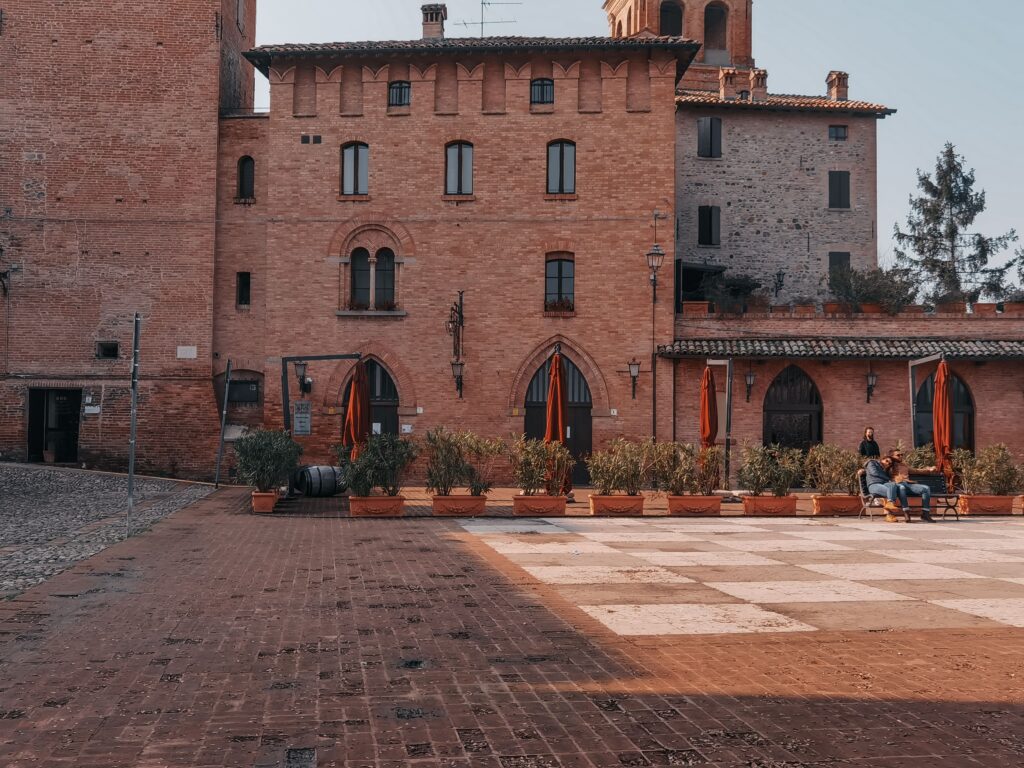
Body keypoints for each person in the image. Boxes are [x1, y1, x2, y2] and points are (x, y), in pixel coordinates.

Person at [887, 448, 937, 523]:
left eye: (902, 455)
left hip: (908, 484)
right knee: (902, 487)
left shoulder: (904, 465)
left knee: (926, 488)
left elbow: (916, 471)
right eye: (898, 455)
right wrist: (863, 470)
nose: (901, 456)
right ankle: (906, 513)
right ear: (892, 456)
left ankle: (925, 514)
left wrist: (929, 470)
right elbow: (879, 468)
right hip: (897, 486)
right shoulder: (889, 465)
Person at [864, 456, 907, 523]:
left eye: (889, 463)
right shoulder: (872, 462)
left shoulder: (885, 470)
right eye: (887, 461)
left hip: (883, 484)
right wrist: (888, 479)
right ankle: (890, 513)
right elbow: (874, 473)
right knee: (891, 491)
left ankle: (891, 506)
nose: (887, 464)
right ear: (882, 459)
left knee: (893, 485)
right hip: (874, 484)